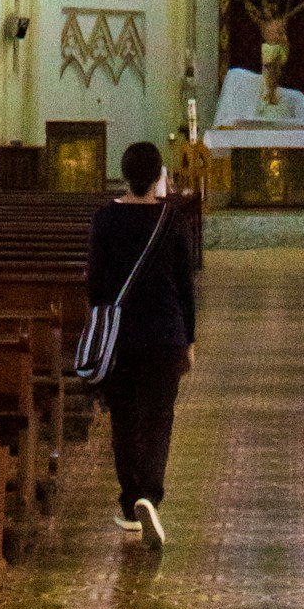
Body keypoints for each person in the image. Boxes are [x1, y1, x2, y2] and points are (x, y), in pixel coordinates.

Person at [86, 139, 196, 550]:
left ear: (125, 174)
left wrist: (100, 322)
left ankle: (131, 501)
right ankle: (150, 493)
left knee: (124, 419)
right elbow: (185, 286)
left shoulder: (105, 218)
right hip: (166, 333)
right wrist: (189, 339)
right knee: (159, 417)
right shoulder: (172, 219)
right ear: (158, 177)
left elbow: (95, 283)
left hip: (121, 337)